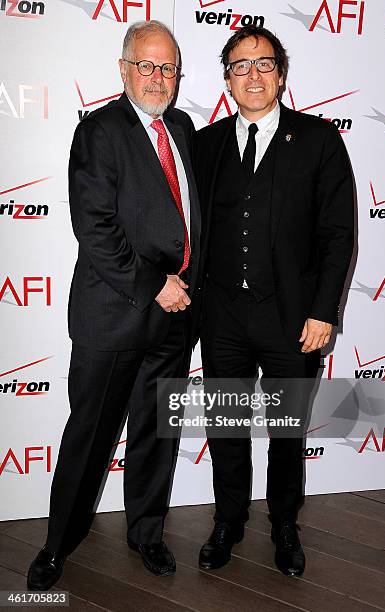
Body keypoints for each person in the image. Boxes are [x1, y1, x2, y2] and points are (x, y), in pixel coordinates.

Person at [27, 20, 200, 590]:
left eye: (167, 67)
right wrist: (154, 284)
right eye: (146, 65)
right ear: (124, 69)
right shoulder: (99, 129)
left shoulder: (182, 125)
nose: (158, 77)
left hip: (174, 321)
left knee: (156, 435)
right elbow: (95, 227)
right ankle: (58, 545)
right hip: (115, 313)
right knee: (90, 436)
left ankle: (146, 533)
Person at [194, 25, 354, 577]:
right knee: (227, 426)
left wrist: (323, 310)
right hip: (223, 317)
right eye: (240, 66)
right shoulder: (206, 143)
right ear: (227, 81)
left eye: (264, 64)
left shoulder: (319, 140)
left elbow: (338, 234)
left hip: (292, 319)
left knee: (287, 429)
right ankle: (228, 521)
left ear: (281, 74)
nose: (253, 75)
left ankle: (285, 525)